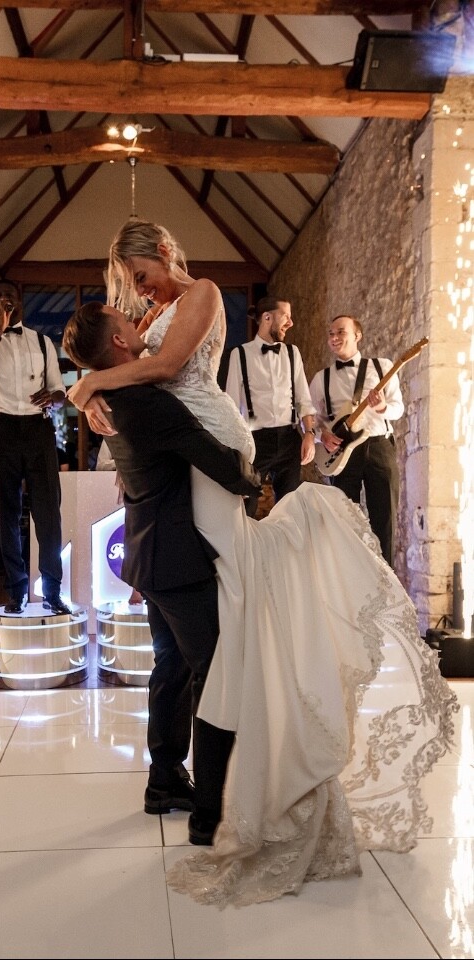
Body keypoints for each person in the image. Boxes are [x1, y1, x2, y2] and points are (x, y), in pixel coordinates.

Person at [66, 218, 458, 907]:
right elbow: (141, 380)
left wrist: (88, 384)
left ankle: (236, 784)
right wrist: (100, 393)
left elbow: (159, 370)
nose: (138, 291)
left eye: (141, 274)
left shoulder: (204, 294)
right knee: (197, 644)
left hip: (207, 441)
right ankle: (182, 781)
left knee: (227, 626)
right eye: (130, 286)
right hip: (179, 469)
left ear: (161, 252)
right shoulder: (150, 315)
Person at [62, 301, 261, 844]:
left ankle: (163, 779)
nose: (137, 322)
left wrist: (84, 385)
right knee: (215, 672)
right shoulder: (147, 401)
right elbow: (214, 457)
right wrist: (256, 486)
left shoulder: (110, 399)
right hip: (175, 559)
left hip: (147, 557)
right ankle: (207, 817)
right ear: (120, 344)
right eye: (126, 322)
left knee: (171, 664)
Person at [0, 278, 71, 616]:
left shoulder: (42, 343)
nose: (5, 300)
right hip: (0, 429)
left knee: (48, 512)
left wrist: (52, 397)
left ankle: (52, 591)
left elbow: (59, 391)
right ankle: (16, 592)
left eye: (10, 295)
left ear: (20, 301)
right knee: (6, 512)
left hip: (38, 429)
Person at [309, 314, 403, 567]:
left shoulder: (382, 367)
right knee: (344, 520)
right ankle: (349, 583)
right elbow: (310, 418)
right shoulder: (321, 379)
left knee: (385, 519)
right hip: (341, 454)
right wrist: (321, 434)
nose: (334, 338)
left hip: (378, 447)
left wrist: (383, 406)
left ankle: (387, 586)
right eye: (330, 334)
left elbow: (398, 408)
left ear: (357, 335)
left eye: (340, 332)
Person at [225, 296, 316, 518]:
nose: (291, 323)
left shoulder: (292, 353)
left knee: (290, 509)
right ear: (267, 317)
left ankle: (287, 552)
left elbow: (304, 398)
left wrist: (309, 435)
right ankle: (245, 552)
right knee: (246, 506)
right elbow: (230, 403)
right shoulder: (240, 354)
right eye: (286, 316)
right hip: (255, 441)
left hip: (289, 440)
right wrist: (235, 449)